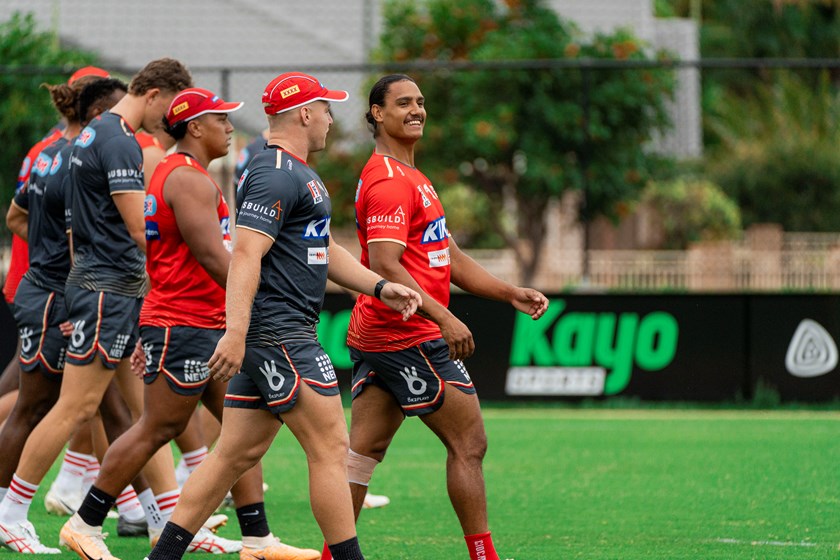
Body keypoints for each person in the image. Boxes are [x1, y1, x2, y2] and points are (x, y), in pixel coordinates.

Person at [146, 72, 422, 560]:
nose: (332, 120)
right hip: (280, 332)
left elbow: (324, 248)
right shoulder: (275, 171)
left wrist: (379, 287)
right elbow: (247, 255)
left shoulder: (294, 171)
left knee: (234, 454)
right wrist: (235, 332)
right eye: (327, 109)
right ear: (305, 113)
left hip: (276, 331)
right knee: (332, 450)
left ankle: (161, 555)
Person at [60, 86, 320, 560]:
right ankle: (85, 523)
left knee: (239, 436)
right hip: (186, 325)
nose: (229, 128)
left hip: (198, 323)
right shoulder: (186, 179)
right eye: (221, 120)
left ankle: (258, 540)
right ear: (195, 126)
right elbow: (214, 258)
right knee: (156, 428)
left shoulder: (181, 174)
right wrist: (261, 302)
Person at [339, 74, 549, 560]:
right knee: (469, 443)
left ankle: (336, 554)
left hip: (382, 333)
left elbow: (446, 256)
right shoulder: (390, 181)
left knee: (363, 452)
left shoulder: (414, 177)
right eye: (403, 103)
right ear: (377, 113)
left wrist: (507, 292)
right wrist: (443, 320)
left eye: (421, 102)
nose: (417, 110)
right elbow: (385, 264)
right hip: (406, 334)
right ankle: (483, 556)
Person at [0, 58, 193, 555]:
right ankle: (13, 511)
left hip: (94, 286)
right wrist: (170, 277)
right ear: (153, 94)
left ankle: (161, 519)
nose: (172, 120)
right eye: (172, 106)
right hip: (102, 289)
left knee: (130, 414)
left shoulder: (83, 138)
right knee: (67, 405)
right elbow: (137, 229)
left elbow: (29, 216)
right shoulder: (118, 140)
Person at [0, 72, 124, 554]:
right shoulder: (83, 157)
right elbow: (78, 235)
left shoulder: (45, 151)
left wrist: (46, 248)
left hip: (50, 289)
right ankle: (15, 510)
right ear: (97, 108)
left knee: (107, 405)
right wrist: (66, 273)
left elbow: (16, 215)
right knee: (43, 403)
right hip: (63, 294)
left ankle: (145, 509)